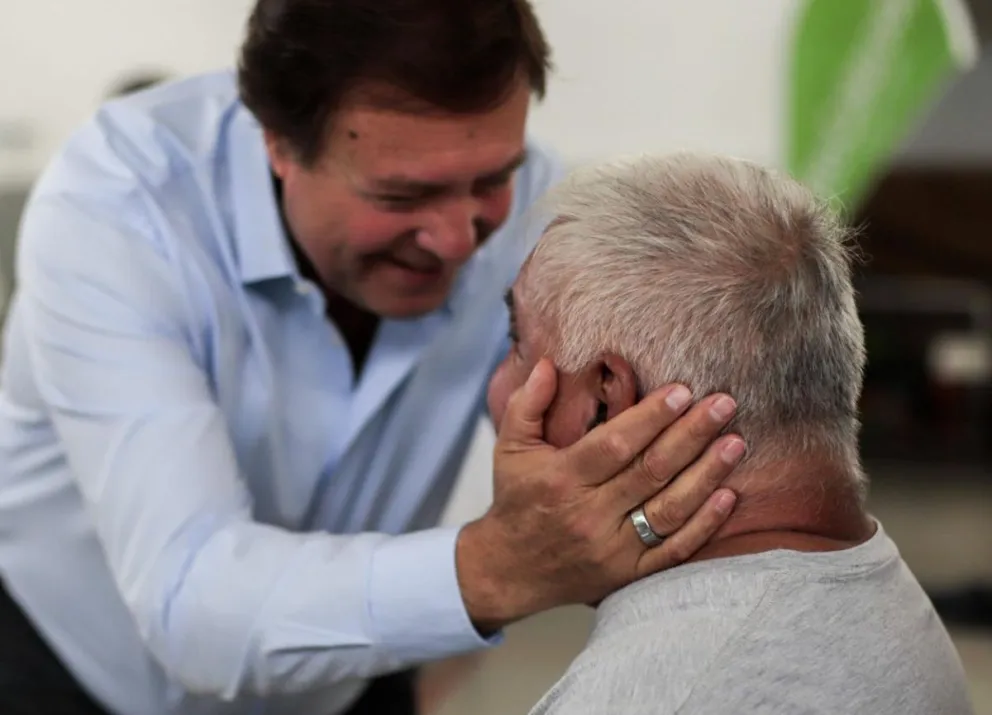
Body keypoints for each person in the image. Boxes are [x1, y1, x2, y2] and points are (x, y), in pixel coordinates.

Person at [0, 2, 746, 714]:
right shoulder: (119, 209)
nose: (458, 241)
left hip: (352, 679)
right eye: (401, 195)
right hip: (70, 676)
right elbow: (191, 604)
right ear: (278, 143)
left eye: (492, 181)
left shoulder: (532, 207)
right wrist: (496, 568)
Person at [482, 153, 975, 715]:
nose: (497, 387)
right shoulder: (886, 603)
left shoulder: (661, 692)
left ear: (604, 401)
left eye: (517, 343)